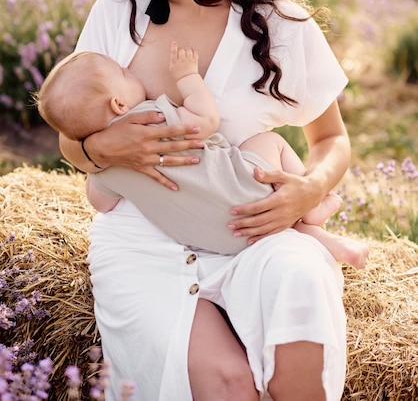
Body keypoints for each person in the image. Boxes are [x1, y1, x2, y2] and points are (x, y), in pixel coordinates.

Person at [49, 0, 353, 401]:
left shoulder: (279, 22)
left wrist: (310, 191)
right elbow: (72, 131)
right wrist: (97, 147)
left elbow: (331, 141)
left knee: (300, 288)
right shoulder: (118, 10)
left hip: (249, 226)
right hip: (142, 237)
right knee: (226, 383)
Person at [36, 44, 368, 267]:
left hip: (221, 238)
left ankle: (328, 240)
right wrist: (187, 77)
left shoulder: (105, 169)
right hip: (250, 187)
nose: (131, 72)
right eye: (124, 75)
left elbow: (100, 203)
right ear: (119, 105)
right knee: (269, 141)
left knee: (268, 227)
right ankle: (310, 198)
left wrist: (99, 165)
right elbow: (206, 121)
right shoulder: (154, 116)